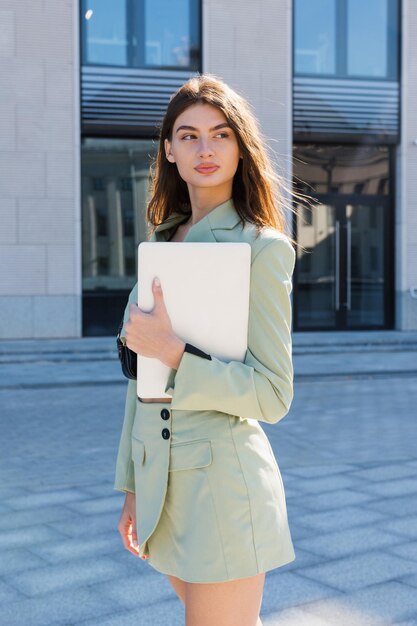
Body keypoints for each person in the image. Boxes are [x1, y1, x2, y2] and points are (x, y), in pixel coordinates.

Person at [114, 73, 301, 626]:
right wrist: (130, 484)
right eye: (189, 135)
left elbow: (273, 394)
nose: (205, 149)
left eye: (220, 134)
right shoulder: (160, 241)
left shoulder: (261, 249)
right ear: (168, 150)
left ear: (241, 147)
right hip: (161, 485)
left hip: (222, 488)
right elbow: (139, 384)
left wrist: (177, 353)